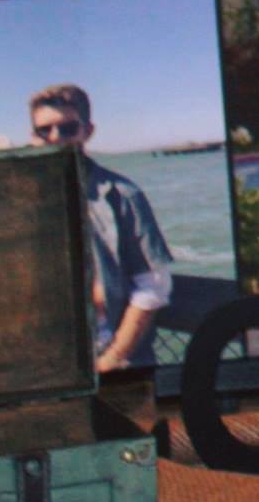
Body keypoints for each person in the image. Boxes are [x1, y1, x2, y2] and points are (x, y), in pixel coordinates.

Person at [27, 83, 174, 373]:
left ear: (87, 131)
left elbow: (153, 287)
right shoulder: (21, 202)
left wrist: (112, 359)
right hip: (48, 361)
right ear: (34, 137)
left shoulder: (123, 195)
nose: (55, 138)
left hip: (110, 358)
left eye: (68, 128)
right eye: (44, 130)